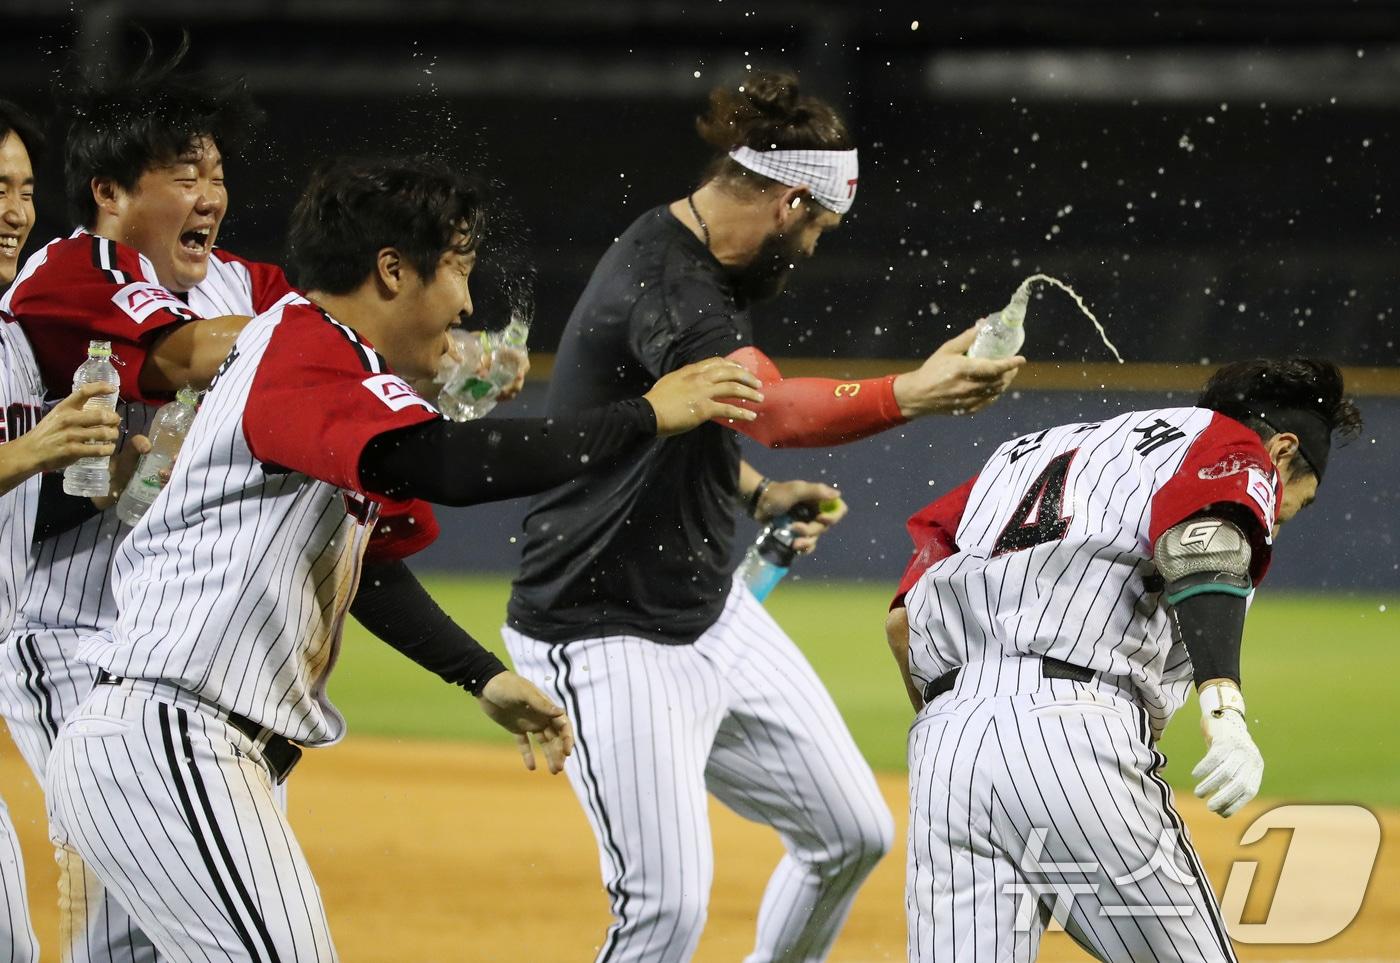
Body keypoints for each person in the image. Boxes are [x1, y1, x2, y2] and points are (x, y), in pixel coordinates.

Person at [43, 153, 762, 960]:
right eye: (456, 267)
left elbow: (368, 572)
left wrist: (480, 673)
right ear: (392, 269)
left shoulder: (328, 366)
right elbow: (447, 464)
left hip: (178, 749)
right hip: (171, 742)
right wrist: (644, 415)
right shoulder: (305, 343)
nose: (464, 299)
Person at [502, 70, 1022, 962]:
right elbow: (772, 410)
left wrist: (751, 494)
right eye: (818, 224)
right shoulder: (671, 281)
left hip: (707, 612)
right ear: (787, 201)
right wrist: (916, 391)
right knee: (662, 911)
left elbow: (685, 414)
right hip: (602, 627)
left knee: (852, 833)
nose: (815, 246)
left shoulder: (705, 265)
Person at [886, 358, 1362, 961]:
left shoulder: (1017, 457)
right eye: (1301, 495)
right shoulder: (1231, 442)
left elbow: (902, 624)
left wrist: (960, 731)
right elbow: (1203, 545)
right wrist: (1224, 709)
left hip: (941, 748)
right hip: (1070, 730)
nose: (1284, 511)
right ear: (1283, 449)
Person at [0, 44, 297, 962]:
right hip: (63, 635)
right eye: (184, 172)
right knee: (131, 898)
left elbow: (320, 327)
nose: (210, 192)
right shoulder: (65, 270)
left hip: (180, 647)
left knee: (148, 910)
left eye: (217, 172)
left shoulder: (241, 286)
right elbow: (187, 354)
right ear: (109, 192)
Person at [0, 98, 131, 963]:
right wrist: (36, 446)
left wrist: (107, 470)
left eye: (22, 189)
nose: (14, 209)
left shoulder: (11, 331)